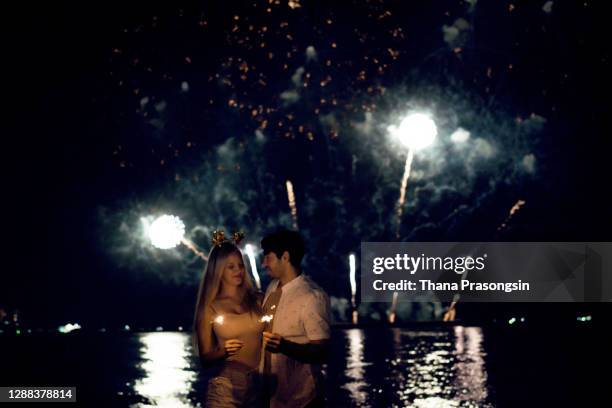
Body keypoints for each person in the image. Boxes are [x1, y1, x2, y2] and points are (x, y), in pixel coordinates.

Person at [260, 230, 331, 408]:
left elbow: (322, 352)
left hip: (302, 400)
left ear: (285, 257)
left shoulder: (312, 296)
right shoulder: (272, 287)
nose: (263, 264)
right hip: (273, 397)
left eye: (267, 257)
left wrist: (284, 346)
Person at [193, 231, 264, 407]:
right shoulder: (209, 308)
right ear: (218, 269)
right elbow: (205, 359)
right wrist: (224, 351)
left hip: (260, 387)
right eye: (230, 266)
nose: (238, 270)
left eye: (240, 265)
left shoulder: (258, 299)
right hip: (226, 390)